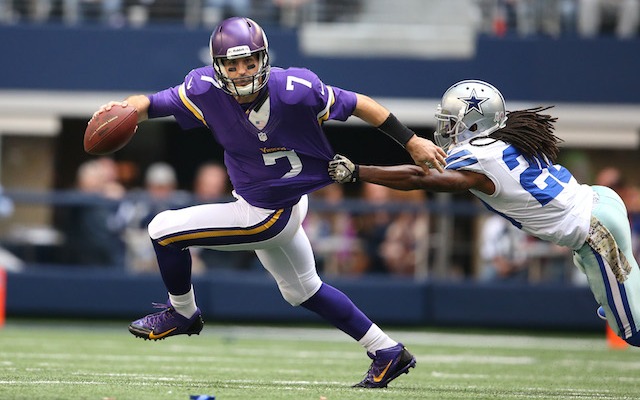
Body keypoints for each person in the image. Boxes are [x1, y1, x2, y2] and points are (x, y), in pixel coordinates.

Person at [90, 17, 446, 388]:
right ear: (218, 67)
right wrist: (122, 107)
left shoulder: (296, 88)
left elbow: (361, 104)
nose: (242, 72)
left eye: (249, 62)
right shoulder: (203, 88)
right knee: (303, 290)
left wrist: (410, 141)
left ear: (264, 59)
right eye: (232, 64)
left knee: (162, 230)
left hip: (265, 213)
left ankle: (183, 313)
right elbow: (147, 103)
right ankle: (387, 351)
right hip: (282, 203)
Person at [329, 79, 640, 347]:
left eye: (451, 120)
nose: (445, 127)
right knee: (629, 303)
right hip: (600, 201)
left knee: (633, 332)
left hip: (593, 229)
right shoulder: (505, 138)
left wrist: (360, 171)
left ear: (474, 123)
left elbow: (419, 178)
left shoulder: (477, 158)